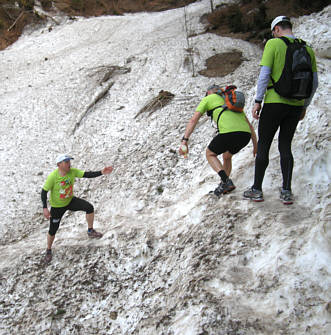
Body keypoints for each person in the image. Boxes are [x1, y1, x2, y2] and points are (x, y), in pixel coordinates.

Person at [243, 16, 318, 204]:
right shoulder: (307, 48)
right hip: (295, 105)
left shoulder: (273, 44)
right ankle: (286, 191)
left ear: (276, 29)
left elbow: (264, 75)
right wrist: (304, 106)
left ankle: (257, 189)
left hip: (275, 103)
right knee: (285, 146)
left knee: (264, 145)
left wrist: (258, 100)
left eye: (273, 31)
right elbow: (314, 83)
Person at [179, 85, 257, 196]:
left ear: (208, 92)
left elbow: (193, 120)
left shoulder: (208, 99)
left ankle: (226, 181)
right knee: (227, 156)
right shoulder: (230, 102)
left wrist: (184, 140)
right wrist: (255, 145)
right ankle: (224, 185)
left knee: (210, 153)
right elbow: (250, 126)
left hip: (229, 132)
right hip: (245, 135)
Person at [41, 154, 113, 263]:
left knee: (89, 208)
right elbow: (44, 191)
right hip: (57, 207)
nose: (69, 164)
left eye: (69, 161)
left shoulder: (72, 171)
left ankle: (90, 231)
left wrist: (101, 172)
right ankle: (48, 250)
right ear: (59, 165)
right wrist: (45, 208)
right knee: (53, 230)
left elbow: (86, 174)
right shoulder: (53, 177)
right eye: (66, 162)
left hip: (70, 201)